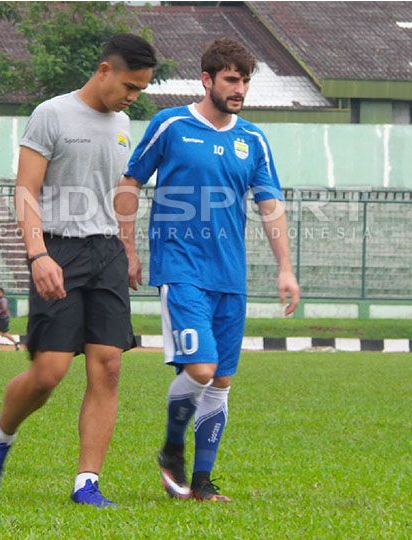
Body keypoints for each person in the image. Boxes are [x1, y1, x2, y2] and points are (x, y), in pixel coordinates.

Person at [0, 34, 156, 508]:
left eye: (140, 89)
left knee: (109, 366)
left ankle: (86, 482)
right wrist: (38, 255)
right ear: (104, 71)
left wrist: (129, 249)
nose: (133, 97)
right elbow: (26, 190)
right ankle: (1, 433)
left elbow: (120, 192)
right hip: (58, 250)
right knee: (49, 372)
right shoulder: (51, 114)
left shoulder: (122, 125)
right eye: (130, 86)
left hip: (107, 253)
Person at [116, 37, 300, 503]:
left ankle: (201, 483)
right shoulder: (172, 124)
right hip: (181, 268)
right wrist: (129, 249)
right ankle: (172, 449)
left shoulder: (252, 139)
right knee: (200, 369)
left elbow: (270, 206)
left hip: (229, 278)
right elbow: (131, 181)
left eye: (245, 81)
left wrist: (286, 270)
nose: (240, 89)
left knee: (221, 381)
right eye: (232, 79)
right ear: (208, 80)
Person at [0, 287, 21, 352]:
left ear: (1, 293)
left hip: (3, 319)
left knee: (4, 334)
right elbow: (0, 309)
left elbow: (4, 309)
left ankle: (16, 343)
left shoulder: (3, 300)